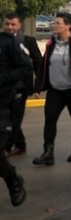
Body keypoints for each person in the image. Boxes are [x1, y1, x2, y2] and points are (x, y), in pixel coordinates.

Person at [33, 13, 71, 166]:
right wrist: (38, 85)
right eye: (54, 22)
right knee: (50, 120)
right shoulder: (51, 43)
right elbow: (44, 64)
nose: (54, 25)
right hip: (55, 90)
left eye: (57, 23)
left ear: (67, 26)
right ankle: (48, 152)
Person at [2, 14, 42, 156]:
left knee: (14, 119)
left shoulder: (28, 41)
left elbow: (38, 63)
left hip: (21, 87)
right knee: (7, 118)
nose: (10, 27)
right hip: (5, 88)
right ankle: (20, 145)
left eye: (13, 24)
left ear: (19, 25)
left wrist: (39, 86)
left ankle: (6, 147)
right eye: (7, 24)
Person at [1, 28, 32, 206]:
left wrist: (2, 78)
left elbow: (26, 67)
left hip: (3, 104)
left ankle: (13, 180)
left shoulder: (8, 42)